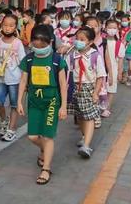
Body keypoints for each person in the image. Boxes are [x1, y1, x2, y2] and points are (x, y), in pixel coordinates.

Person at [17, 25, 68, 185]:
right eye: (35, 46)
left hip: (51, 101)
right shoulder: (29, 59)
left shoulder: (57, 60)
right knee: (33, 136)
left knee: (47, 136)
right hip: (34, 101)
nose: (38, 49)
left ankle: (46, 169)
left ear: (50, 42)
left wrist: (63, 106)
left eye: (43, 46)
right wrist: (19, 101)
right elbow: (24, 80)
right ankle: (45, 150)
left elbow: (63, 84)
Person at [68, 27, 106, 159]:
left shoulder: (95, 55)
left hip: (89, 87)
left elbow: (100, 76)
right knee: (80, 116)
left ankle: (87, 145)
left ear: (90, 42)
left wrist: (96, 92)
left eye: (82, 40)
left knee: (89, 116)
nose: (78, 42)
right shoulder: (72, 54)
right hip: (76, 88)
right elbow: (68, 71)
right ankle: (84, 137)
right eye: (76, 39)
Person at [0, 14, 26, 142]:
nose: (7, 28)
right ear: (1, 25)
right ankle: (4, 120)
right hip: (0, 77)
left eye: (11, 26)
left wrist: (24, 80)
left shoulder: (18, 43)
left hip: (14, 79)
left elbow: (23, 62)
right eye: (5, 25)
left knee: (14, 104)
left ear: (15, 27)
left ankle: (11, 130)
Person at [104, 19, 124, 114]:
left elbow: (120, 60)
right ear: (105, 28)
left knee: (111, 90)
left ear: (117, 29)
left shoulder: (119, 44)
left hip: (114, 69)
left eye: (114, 28)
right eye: (110, 27)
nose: (112, 29)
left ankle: (107, 108)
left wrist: (120, 72)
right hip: (102, 68)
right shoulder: (102, 42)